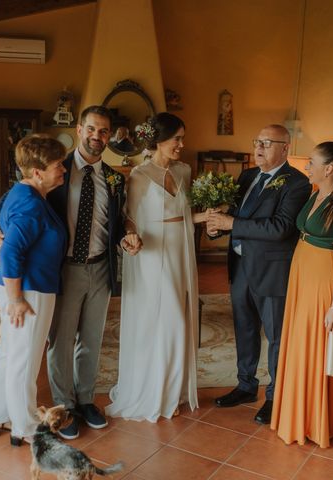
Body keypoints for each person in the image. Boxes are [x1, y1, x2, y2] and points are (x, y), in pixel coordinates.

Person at [0, 105, 128, 440]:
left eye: (105, 131)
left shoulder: (114, 178)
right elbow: (6, 208)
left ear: (111, 136)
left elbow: (119, 222)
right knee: (58, 342)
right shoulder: (53, 168)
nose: (98, 136)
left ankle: (84, 400)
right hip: (58, 271)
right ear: (79, 129)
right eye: (92, 129)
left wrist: (128, 235)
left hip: (99, 267)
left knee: (91, 340)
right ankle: (62, 406)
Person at [105, 112, 206, 422]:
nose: (181, 144)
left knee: (181, 317)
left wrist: (212, 216)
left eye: (182, 138)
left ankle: (173, 390)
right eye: (176, 138)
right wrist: (131, 235)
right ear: (159, 141)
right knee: (162, 318)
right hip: (152, 252)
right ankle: (153, 390)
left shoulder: (185, 170)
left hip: (181, 249)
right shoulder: (139, 175)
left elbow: (188, 213)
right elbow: (131, 216)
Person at [207, 125, 311, 425]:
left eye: (267, 142)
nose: (259, 147)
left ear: (285, 148)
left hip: (272, 271)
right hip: (240, 266)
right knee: (244, 328)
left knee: (276, 336)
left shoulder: (298, 183)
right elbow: (235, 215)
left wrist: (231, 224)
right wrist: (216, 227)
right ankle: (245, 385)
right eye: (257, 141)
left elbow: (280, 228)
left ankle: (275, 396)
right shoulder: (248, 176)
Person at [270, 142, 333, 448]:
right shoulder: (316, 193)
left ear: (329, 168)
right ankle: (294, 414)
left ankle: (315, 421)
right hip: (302, 275)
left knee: (314, 347)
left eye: (311, 162)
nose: (307, 167)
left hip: (323, 281)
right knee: (297, 344)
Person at [0, 135, 68, 446]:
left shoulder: (23, 193)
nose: (63, 169)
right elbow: (10, 253)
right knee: (26, 360)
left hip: (20, 287)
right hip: (27, 291)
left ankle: (0, 416)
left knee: (10, 353)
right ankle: (27, 427)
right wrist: (16, 299)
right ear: (37, 172)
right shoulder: (30, 204)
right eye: (57, 165)